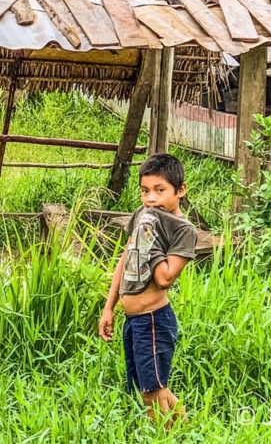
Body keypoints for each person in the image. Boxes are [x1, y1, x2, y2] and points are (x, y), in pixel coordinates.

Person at [99, 154, 197, 426]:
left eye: (160, 190)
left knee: (152, 392)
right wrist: (109, 307)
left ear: (181, 191)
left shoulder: (182, 230)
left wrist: (149, 239)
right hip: (132, 320)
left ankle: (163, 436)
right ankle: (186, 428)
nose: (151, 199)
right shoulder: (143, 216)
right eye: (145, 191)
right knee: (147, 386)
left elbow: (165, 278)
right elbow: (125, 258)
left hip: (154, 321)